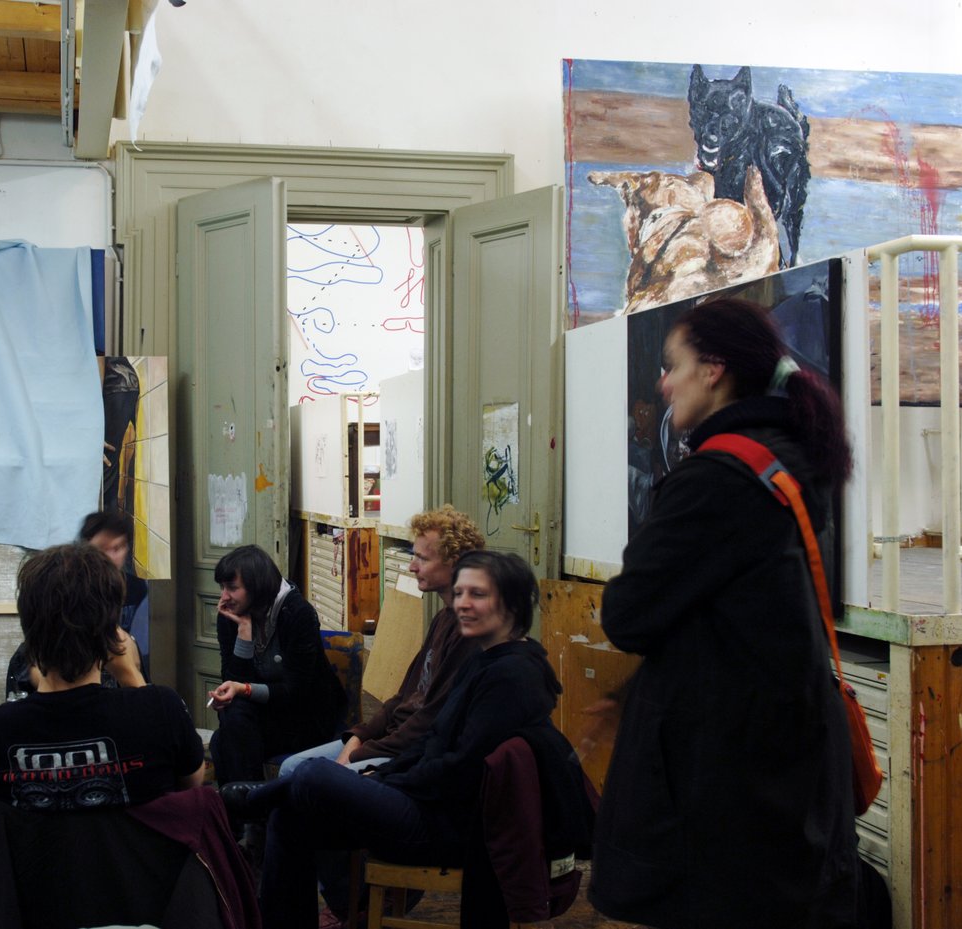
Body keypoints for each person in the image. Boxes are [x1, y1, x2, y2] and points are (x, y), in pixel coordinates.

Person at [588, 298, 861, 929]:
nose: (663, 383)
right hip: (787, 765)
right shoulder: (788, 462)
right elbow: (733, 617)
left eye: (673, 365)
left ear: (713, 370)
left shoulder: (715, 477)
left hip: (726, 783)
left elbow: (628, 615)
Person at [239, 551, 561, 929]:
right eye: (460, 593)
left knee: (313, 774)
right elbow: (431, 738)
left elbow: (458, 773)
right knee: (290, 815)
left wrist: (388, 781)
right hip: (425, 800)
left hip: (446, 825)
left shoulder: (512, 675)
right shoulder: (485, 659)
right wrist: (384, 773)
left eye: (477, 594)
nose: (462, 603)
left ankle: (250, 801)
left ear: (511, 605)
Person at [0, 543, 204, 810]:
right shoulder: (162, 710)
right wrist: (131, 675)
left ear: (28, 624)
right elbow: (189, 785)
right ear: (110, 631)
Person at [279, 505, 485, 776]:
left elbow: (429, 721)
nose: (412, 566)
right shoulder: (443, 618)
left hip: (408, 752)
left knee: (306, 776)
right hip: (388, 739)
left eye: (422, 559)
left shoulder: (468, 634)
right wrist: (359, 735)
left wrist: (360, 752)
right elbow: (403, 697)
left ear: (455, 563)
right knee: (291, 767)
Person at [207, 544, 346, 788]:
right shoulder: (231, 616)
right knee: (231, 724)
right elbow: (231, 677)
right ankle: (252, 805)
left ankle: (245, 806)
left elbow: (296, 691)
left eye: (232, 588)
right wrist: (244, 633)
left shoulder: (298, 613)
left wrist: (243, 689)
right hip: (264, 716)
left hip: (306, 716)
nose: (224, 597)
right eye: (222, 587)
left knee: (224, 740)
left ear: (256, 587)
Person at [5, 510, 147, 698]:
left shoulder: (137, 590)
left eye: (118, 548)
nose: (111, 557)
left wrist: (126, 669)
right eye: (102, 548)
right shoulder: (59, 588)